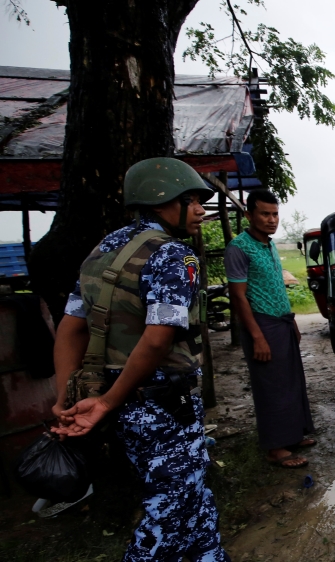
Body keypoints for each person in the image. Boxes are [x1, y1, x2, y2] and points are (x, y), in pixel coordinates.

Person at [51, 157, 229, 562]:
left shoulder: (103, 249)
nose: (201, 210)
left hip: (121, 397)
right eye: (192, 200)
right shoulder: (172, 256)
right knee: (170, 507)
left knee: (195, 493)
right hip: (158, 398)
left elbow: (70, 328)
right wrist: (108, 402)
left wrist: (69, 397)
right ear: (161, 200)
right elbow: (156, 340)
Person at [224, 190, 315, 468]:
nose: (271, 219)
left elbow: (276, 286)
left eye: (275, 214)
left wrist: (292, 322)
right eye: (265, 214)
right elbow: (238, 297)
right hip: (261, 325)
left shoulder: (269, 244)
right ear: (248, 215)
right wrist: (257, 337)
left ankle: (293, 434)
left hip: (281, 322)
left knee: (290, 381)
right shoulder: (239, 247)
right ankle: (276, 449)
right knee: (271, 387)